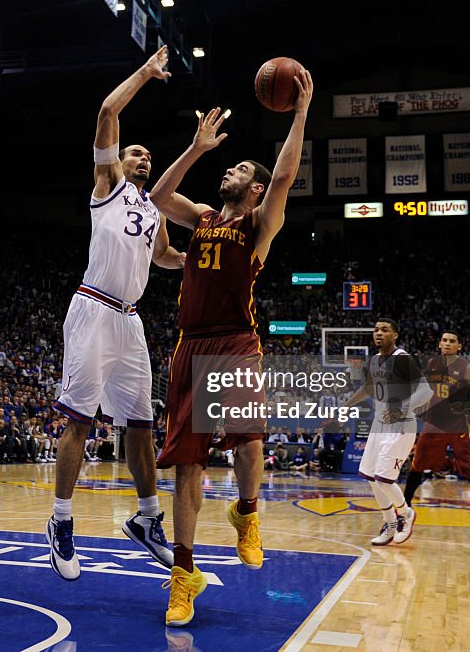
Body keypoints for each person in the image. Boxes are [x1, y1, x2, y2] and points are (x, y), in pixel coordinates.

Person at [149, 68, 314, 626]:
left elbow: (287, 175)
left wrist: (299, 114)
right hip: (188, 347)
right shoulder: (200, 218)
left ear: (256, 188)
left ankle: (247, 513)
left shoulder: (259, 224)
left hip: (235, 342)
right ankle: (183, 576)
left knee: (247, 442)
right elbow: (158, 196)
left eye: (241, 168)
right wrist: (196, 148)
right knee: (187, 468)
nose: (231, 168)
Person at [46, 47, 186, 581]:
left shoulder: (153, 209)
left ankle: (148, 519)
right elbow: (107, 113)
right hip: (93, 309)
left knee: (142, 427)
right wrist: (147, 74)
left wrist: (203, 256)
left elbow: (166, 257)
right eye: (135, 154)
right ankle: (60, 520)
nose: (143, 160)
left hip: (130, 320)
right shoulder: (107, 190)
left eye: (148, 158)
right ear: (117, 163)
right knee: (80, 421)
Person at [344, 319, 432, 548]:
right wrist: (346, 404)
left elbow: (425, 391)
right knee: (371, 478)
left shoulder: (402, 358)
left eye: (385, 330)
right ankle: (389, 522)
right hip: (379, 424)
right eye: (375, 330)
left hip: (401, 425)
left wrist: (403, 407)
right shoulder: (374, 361)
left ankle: (406, 514)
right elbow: (369, 389)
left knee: (384, 479)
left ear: (395, 335)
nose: (379, 333)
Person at [403, 331, 470, 540]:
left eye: (452, 341)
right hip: (434, 423)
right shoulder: (432, 363)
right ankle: (403, 514)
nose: (447, 343)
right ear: (439, 344)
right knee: (417, 467)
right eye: (444, 340)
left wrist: (464, 406)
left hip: (457, 425)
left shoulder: (468, 368)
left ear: (459, 346)